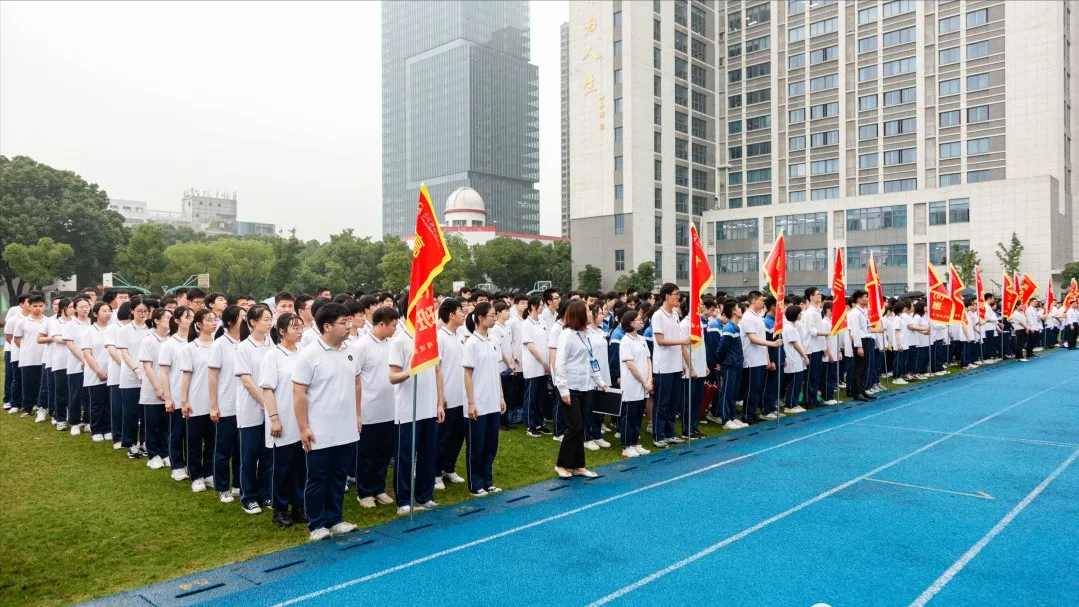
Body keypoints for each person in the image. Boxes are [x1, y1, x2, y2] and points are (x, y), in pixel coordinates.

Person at [293, 302, 362, 540]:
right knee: (317, 477)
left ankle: (335, 518)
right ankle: (317, 524)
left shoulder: (351, 350)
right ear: (327, 326)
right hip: (320, 429)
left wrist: (357, 415)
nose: (348, 326)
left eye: (349, 321)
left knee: (339, 475)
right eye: (343, 322)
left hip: (345, 427)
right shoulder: (310, 354)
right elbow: (299, 393)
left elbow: (355, 383)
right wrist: (303, 427)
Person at [388, 303, 447, 516]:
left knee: (428, 454)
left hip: (429, 406)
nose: (431, 314)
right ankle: (403, 500)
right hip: (408, 410)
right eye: (427, 309)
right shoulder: (400, 340)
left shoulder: (430, 337)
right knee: (405, 457)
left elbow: (438, 371)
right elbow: (393, 376)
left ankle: (425, 495)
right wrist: (410, 371)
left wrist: (440, 401)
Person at [260, 313, 307, 527]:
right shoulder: (273, 356)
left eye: (301, 327)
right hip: (283, 420)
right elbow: (267, 390)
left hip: (301, 421)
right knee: (282, 468)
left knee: (300, 466)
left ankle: (299, 505)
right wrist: (274, 419)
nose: (299, 331)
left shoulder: (303, 354)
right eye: (294, 327)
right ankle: (280, 509)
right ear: (282, 331)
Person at [353, 306, 400, 509]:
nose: (395, 329)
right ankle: (364, 492)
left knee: (384, 451)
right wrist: (357, 412)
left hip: (389, 407)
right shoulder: (361, 346)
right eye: (393, 325)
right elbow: (355, 379)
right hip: (369, 409)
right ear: (382, 324)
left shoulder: (392, 344)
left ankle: (379, 488)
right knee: (366, 453)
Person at [552, 300, 604, 479]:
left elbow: (592, 359)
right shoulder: (566, 335)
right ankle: (561, 464)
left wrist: (600, 381)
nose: (591, 313)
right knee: (573, 427)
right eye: (588, 311)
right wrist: (564, 389)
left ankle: (578, 465)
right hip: (570, 387)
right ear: (579, 314)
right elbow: (560, 363)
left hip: (585, 385)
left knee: (581, 427)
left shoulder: (586, 334)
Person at [462, 301, 507, 495]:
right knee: (476, 446)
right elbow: (467, 374)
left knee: (491, 445)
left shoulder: (492, 341)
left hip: (492, 402)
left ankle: (488, 480)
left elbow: (496, 371)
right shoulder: (471, 343)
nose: (494, 318)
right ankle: (476, 483)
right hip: (478, 402)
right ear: (480, 318)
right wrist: (471, 403)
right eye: (491, 315)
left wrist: (501, 397)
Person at [235, 305, 275, 514]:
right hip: (251, 407)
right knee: (249, 455)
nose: (269, 323)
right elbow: (247, 381)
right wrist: (264, 401)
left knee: (267, 453)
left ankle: (266, 493)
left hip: (269, 407)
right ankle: (248, 496)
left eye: (270, 319)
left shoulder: (273, 345)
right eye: (265, 319)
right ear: (252, 322)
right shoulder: (244, 347)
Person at [209, 305, 248, 503]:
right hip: (226, 403)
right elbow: (213, 376)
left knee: (241, 449)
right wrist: (214, 405)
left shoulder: (247, 343)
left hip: (245, 405)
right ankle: (222, 487)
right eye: (242, 317)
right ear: (231, 322)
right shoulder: (220, 344)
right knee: (223, 449)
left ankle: (238, 484)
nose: (246, 320)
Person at [180, 309, 218, 492]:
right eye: (209, 320)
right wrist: (184, 401)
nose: (213, 322)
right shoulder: (190, 348)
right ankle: (196, 475)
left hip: (216, 402)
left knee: (213, 440)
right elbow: (186, 377)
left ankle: (209, 472)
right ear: (199, 324)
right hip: (196, 400)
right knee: (194, 440)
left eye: (214, 319)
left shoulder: (219, 345)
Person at [651, 283, 689, 447]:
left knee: (674, 401)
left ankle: (670, 432)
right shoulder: (658, 315)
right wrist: (682, 341)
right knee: (662, 401)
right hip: (663, 366)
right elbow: (660, 341)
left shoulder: (675, 314)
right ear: (667, 296)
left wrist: (682, 361)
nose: (678, 298)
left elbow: (677, 339)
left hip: (675, 364)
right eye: (676, 294)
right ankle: (658, 435)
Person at [435, 299, 468, 489]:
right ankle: (436, 472)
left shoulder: (458, 336)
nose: (464, 314)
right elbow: (437, 368)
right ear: (450, 315)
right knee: (442, 436)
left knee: (457, 436)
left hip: (461, 395)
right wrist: (440, 395)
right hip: (446, 395)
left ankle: (449, 468)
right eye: (460, 311)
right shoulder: (440, 337)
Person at [158, 306, 193, 481]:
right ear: (177, 320)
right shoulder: (169, 344)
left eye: (193, 317)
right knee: (177, 432)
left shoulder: (197, 342)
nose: (191, 320)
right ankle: (177, 464)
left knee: (192, 434)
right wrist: (168, 397)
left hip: (195, 395)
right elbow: (164, 372)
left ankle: (191, 464)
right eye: (187, 317)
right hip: (178, 395)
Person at [138, 308, 172, 469]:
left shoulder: (172, 339)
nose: (169, 319)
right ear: (157, 320)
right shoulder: (149, 340)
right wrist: (157, 388)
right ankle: (153, 455)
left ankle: (166, 453)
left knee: (167, 424)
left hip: (170, 388)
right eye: (166, 317)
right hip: (153, 388)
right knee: (153, 423)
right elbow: (147, 366)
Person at [118, 298, 152, 454]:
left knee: (146, 411)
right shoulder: (124, 330)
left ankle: (145, 441)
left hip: (149, 376)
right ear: (132, 311)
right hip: (130, 375)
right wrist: (137, 370)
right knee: (130, 411)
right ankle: (130, 442)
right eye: (139, 311)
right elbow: (124, 354)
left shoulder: (151, 329)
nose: (142, 314)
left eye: (145, 311)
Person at [740, 291, 780, 423]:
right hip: (751, 359)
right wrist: (772, 344)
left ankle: (753, 413)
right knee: (751, 388)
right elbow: (753, 338)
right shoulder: (747, 317)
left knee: (757, 388)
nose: (763, 302)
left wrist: (767, 357)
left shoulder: (758, 316)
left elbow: (761, 338)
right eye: (761, 300)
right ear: (753, 301)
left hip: (760, 358)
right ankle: (747, 415)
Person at [617, 310, 652, 457]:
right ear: (631, 323)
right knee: (629, 415)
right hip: (632, 384)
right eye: (638, 319)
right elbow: (630, 364)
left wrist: (649, 379)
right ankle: (626, 445)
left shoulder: (641, 339)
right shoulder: (625, 341)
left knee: (638, 415)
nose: (641, 321)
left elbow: (648, 359)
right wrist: (644, 381)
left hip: (644, 384)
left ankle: (635, 442)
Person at [79, 302, 113, 441]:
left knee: (110, 403)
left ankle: (108, 428)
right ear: (95, 314)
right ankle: (97, 429)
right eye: (104, 311)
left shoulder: (114, 330)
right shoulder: (89, 331)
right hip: (95, 373)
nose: (108, 313)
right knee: (97, 403)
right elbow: (87, 354)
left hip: (112, 372)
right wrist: (98, 371)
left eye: (109, 311)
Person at [521, 296, 552, 437]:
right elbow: (531, 347)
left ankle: (539, 423)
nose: (542, 307)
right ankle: (529, 425)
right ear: (533, 306)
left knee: (541, 396)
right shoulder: (526, 324)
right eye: (540, 305)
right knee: (531, 397)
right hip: (533, 367)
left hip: (544, 367)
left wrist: (548, 362)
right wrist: (544, 362)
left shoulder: (542, 322)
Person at [13, 294, 48, 418]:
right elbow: (16, 338)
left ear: (44, 306)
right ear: (30, 307)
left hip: (44, 358)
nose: (38, 308)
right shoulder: (22, 322)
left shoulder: (48, 321)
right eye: (35, 306)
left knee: (43, 384)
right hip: (27, 358)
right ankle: (27, 408)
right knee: (28, 384)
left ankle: (42, 406)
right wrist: (25, 349)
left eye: (40, 306)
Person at [63, 297, 93, 434]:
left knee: (89, 395)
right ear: (75, 309)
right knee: (75, 395)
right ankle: (75, 422)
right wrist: (83, 360)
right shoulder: (70, 325)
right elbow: (70, 345)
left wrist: (89, 362)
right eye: (81, 307)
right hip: (76, 365)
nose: (84, 309)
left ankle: (87, 421)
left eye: (86, 306)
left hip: (92, 366)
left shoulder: (93, 324)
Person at [103, 300, 130, 448]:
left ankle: (130, 436)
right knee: (117, 407)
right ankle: (118, 436)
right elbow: (112, 350)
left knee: (130, 408)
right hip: (118, 372)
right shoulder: (113, 328)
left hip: (134, 374)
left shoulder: (138, 328)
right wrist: (126, 366)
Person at [847, 290, 875, 402]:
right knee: (858, 368)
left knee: (864, 367)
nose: (867, 299)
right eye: (865, 297)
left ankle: (862, 389)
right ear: (858, 299)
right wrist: (858, 346)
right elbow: (855, 331)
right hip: (861, 341)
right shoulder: (854, 313)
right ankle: (856, 392)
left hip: (867, 339)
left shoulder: (864, 311)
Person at [782, 306, 809, 414]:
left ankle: (795, 403)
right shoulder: (788, 327)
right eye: (799, 313)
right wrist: (805, 356)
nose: (801, 315)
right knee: (793, 383)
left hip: (797, 359)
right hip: (792, 359)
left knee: (797, 383)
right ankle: (790, 405)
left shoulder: (792, 326)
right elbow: (795, 344)